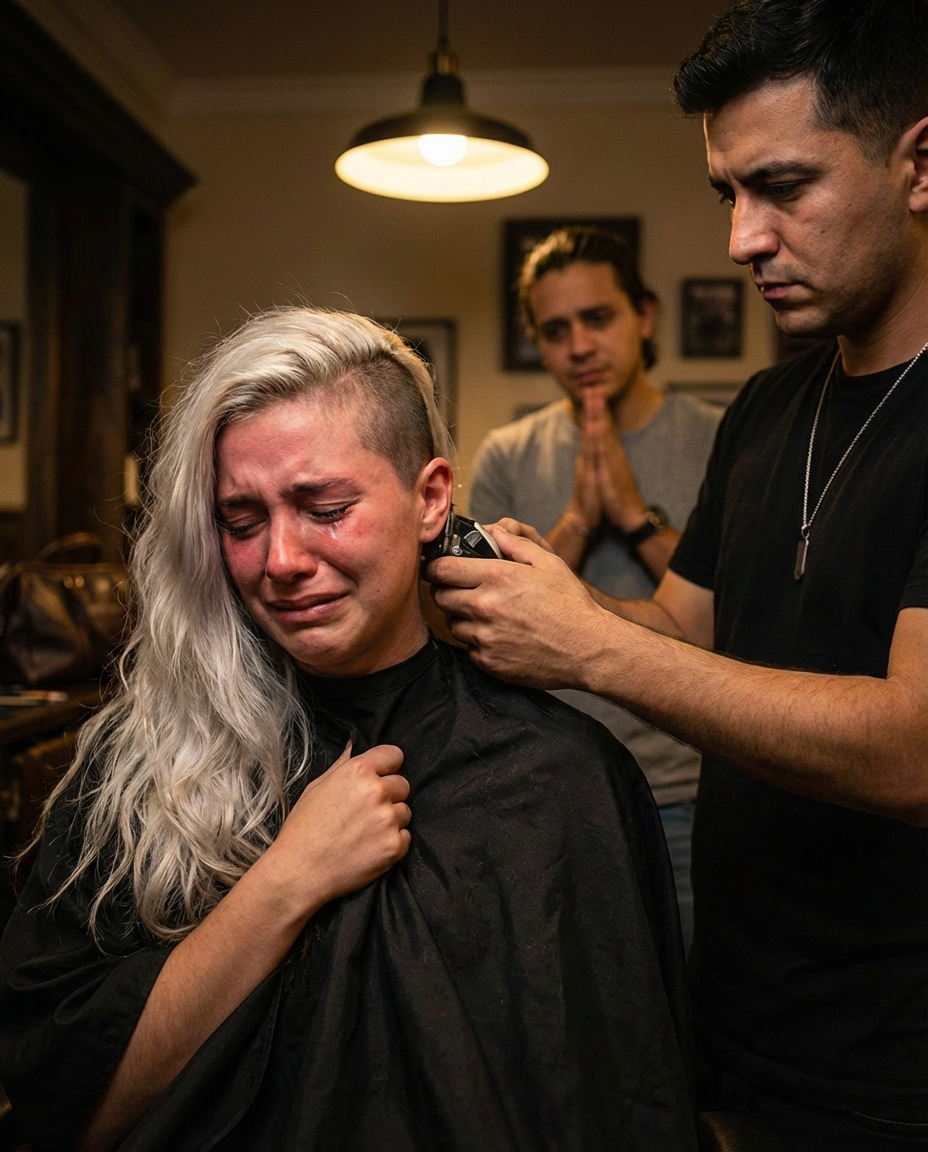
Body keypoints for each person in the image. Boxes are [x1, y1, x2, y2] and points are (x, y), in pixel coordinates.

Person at [0, 308, 696, 1152]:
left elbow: (624, 1105)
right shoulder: (142, 768)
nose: (281, 560)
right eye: (242, 521)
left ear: (430, 498)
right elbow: (72, 1116)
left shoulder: (560, 775)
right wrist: (284, 884)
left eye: (325, 507)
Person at [429, 1, 928, 1147]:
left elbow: (911, 746)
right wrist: (539, 593)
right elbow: (682, 628)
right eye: (727, 195)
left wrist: (588, 646)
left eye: (784, 187)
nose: (742, 238)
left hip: (897, 1054)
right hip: (751, 1015)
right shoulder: (768, 404)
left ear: (917, 166)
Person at [469, 227, 722, 946]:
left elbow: (737, 614)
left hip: (684, 793)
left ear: (643, 317)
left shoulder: (718, 439)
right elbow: (479, 617)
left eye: (598, 318)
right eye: (555, 330)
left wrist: (637, 519)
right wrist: (581, 519)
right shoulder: (508, 455)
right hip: (543, 792)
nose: (578, 345)